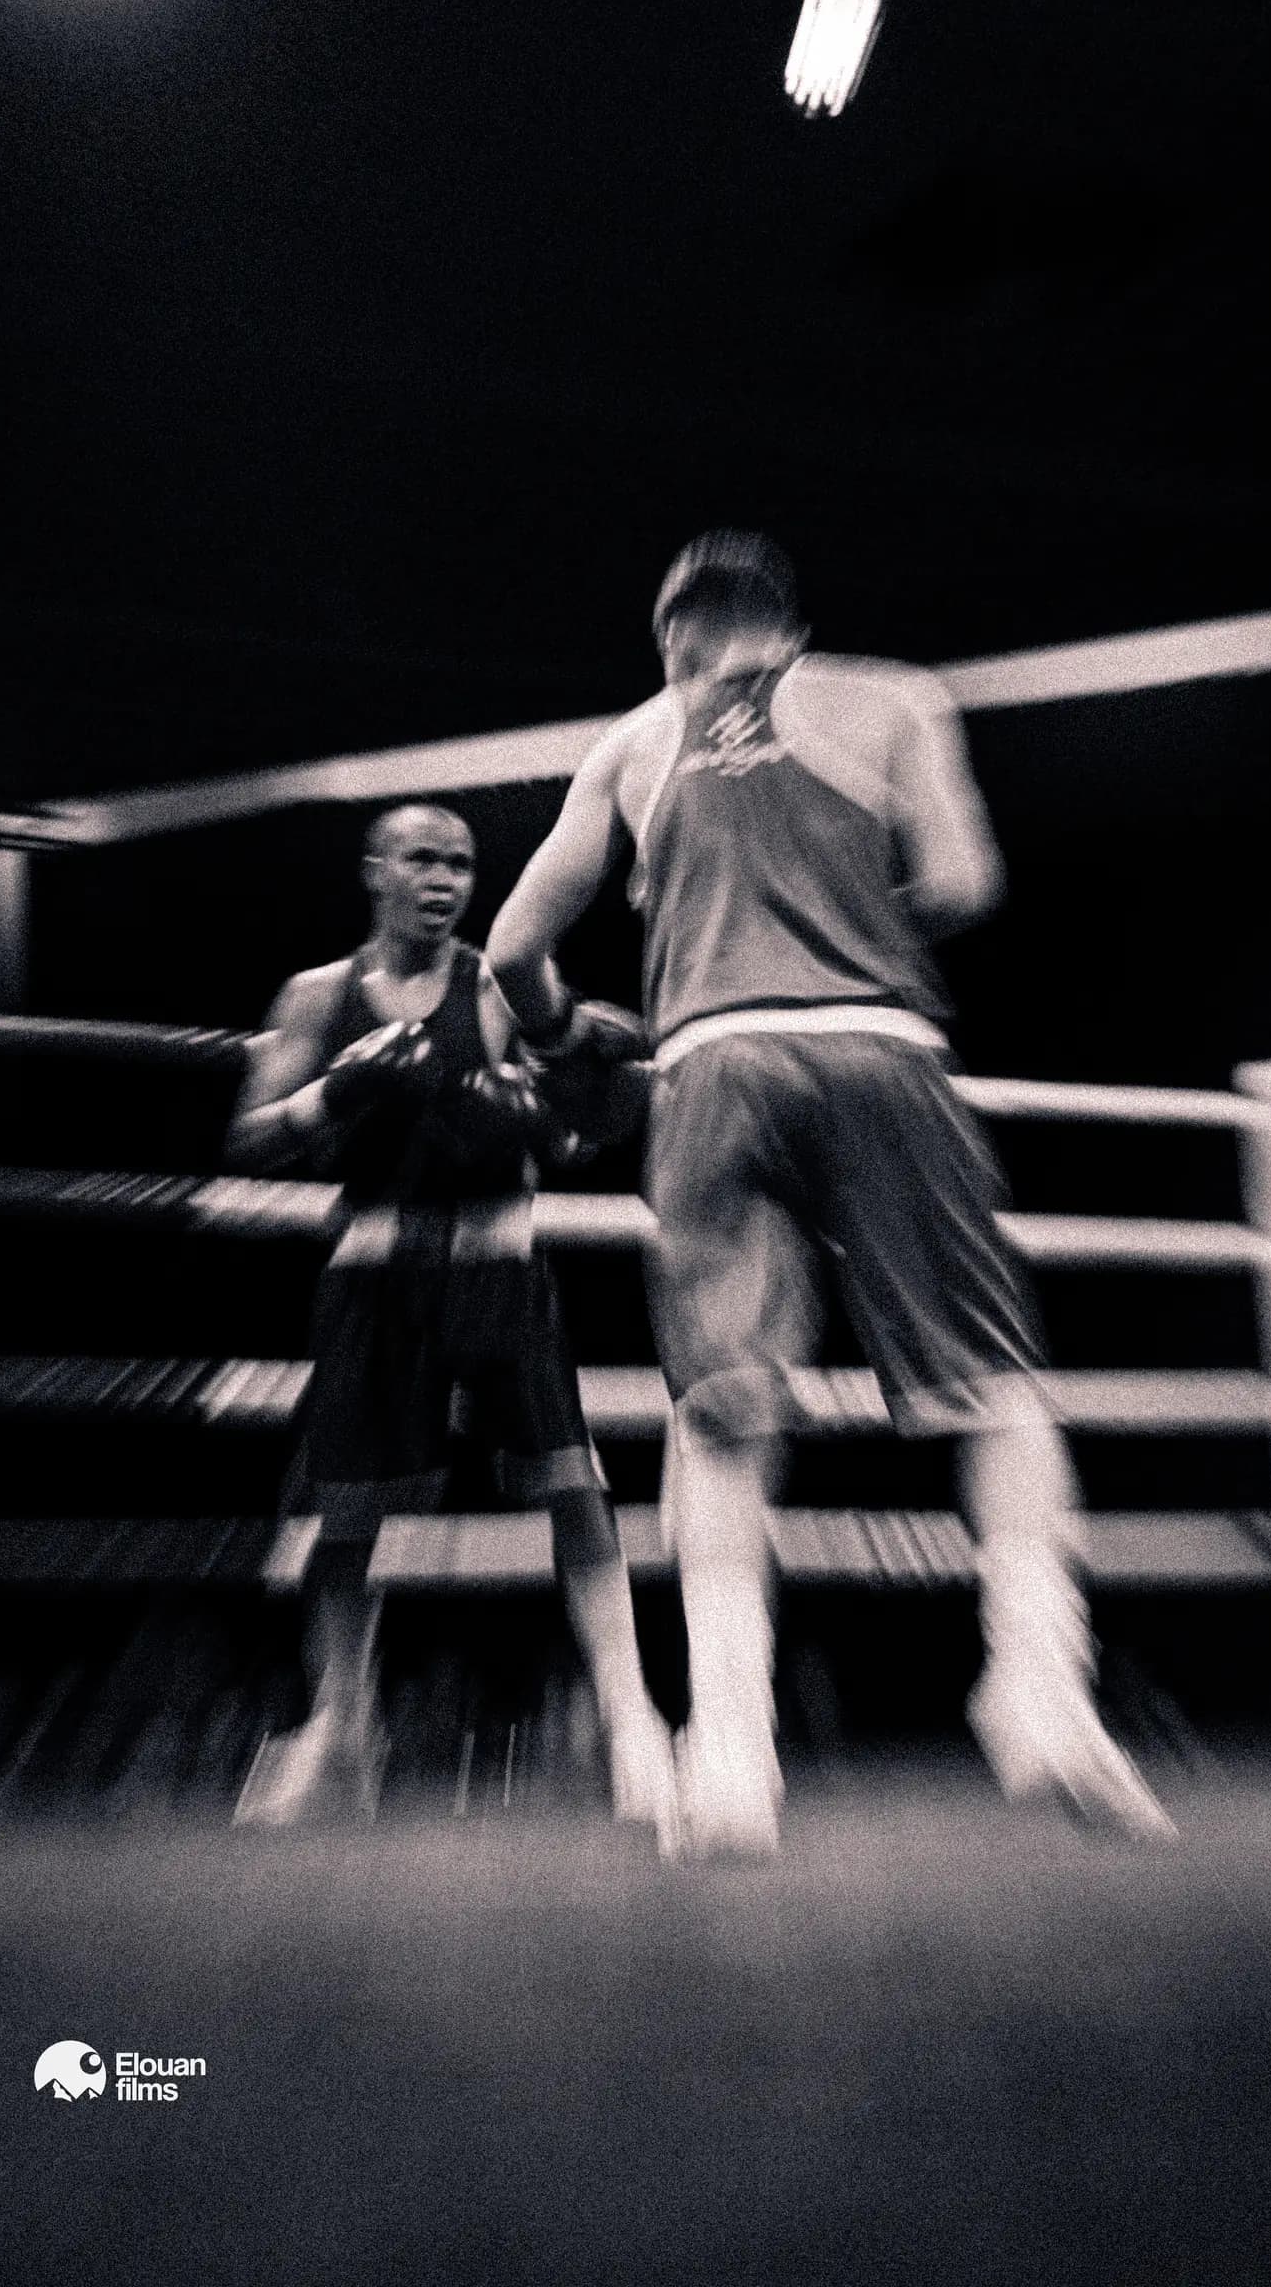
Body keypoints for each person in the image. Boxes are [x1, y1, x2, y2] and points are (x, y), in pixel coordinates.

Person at [486, 530, 1175, 1859]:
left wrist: (570, 1035)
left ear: (671, 638)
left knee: (723, 1412)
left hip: (706, 1066)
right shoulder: (893, 697)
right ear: (787, 623)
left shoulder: (630, 744)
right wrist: (846, 918)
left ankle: (734, 1751)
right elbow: (967, 885)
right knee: (992, 1390)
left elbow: (516, 948)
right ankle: (1038, 1686)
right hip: (881, 1054)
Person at [225, 800, 676, 1843]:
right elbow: (247, 1136)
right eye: (422, 858)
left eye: (461, 863)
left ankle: (629, 1718)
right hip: (373, 1270)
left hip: (497, 1263)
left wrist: (554, 1111)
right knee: (343, 1516)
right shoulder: (316, 996)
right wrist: (327, 1100)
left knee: (574, 1489)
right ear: (375, 870)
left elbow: (594, 1109)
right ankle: (338, 1726)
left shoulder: (501, 982)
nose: (443, 879)